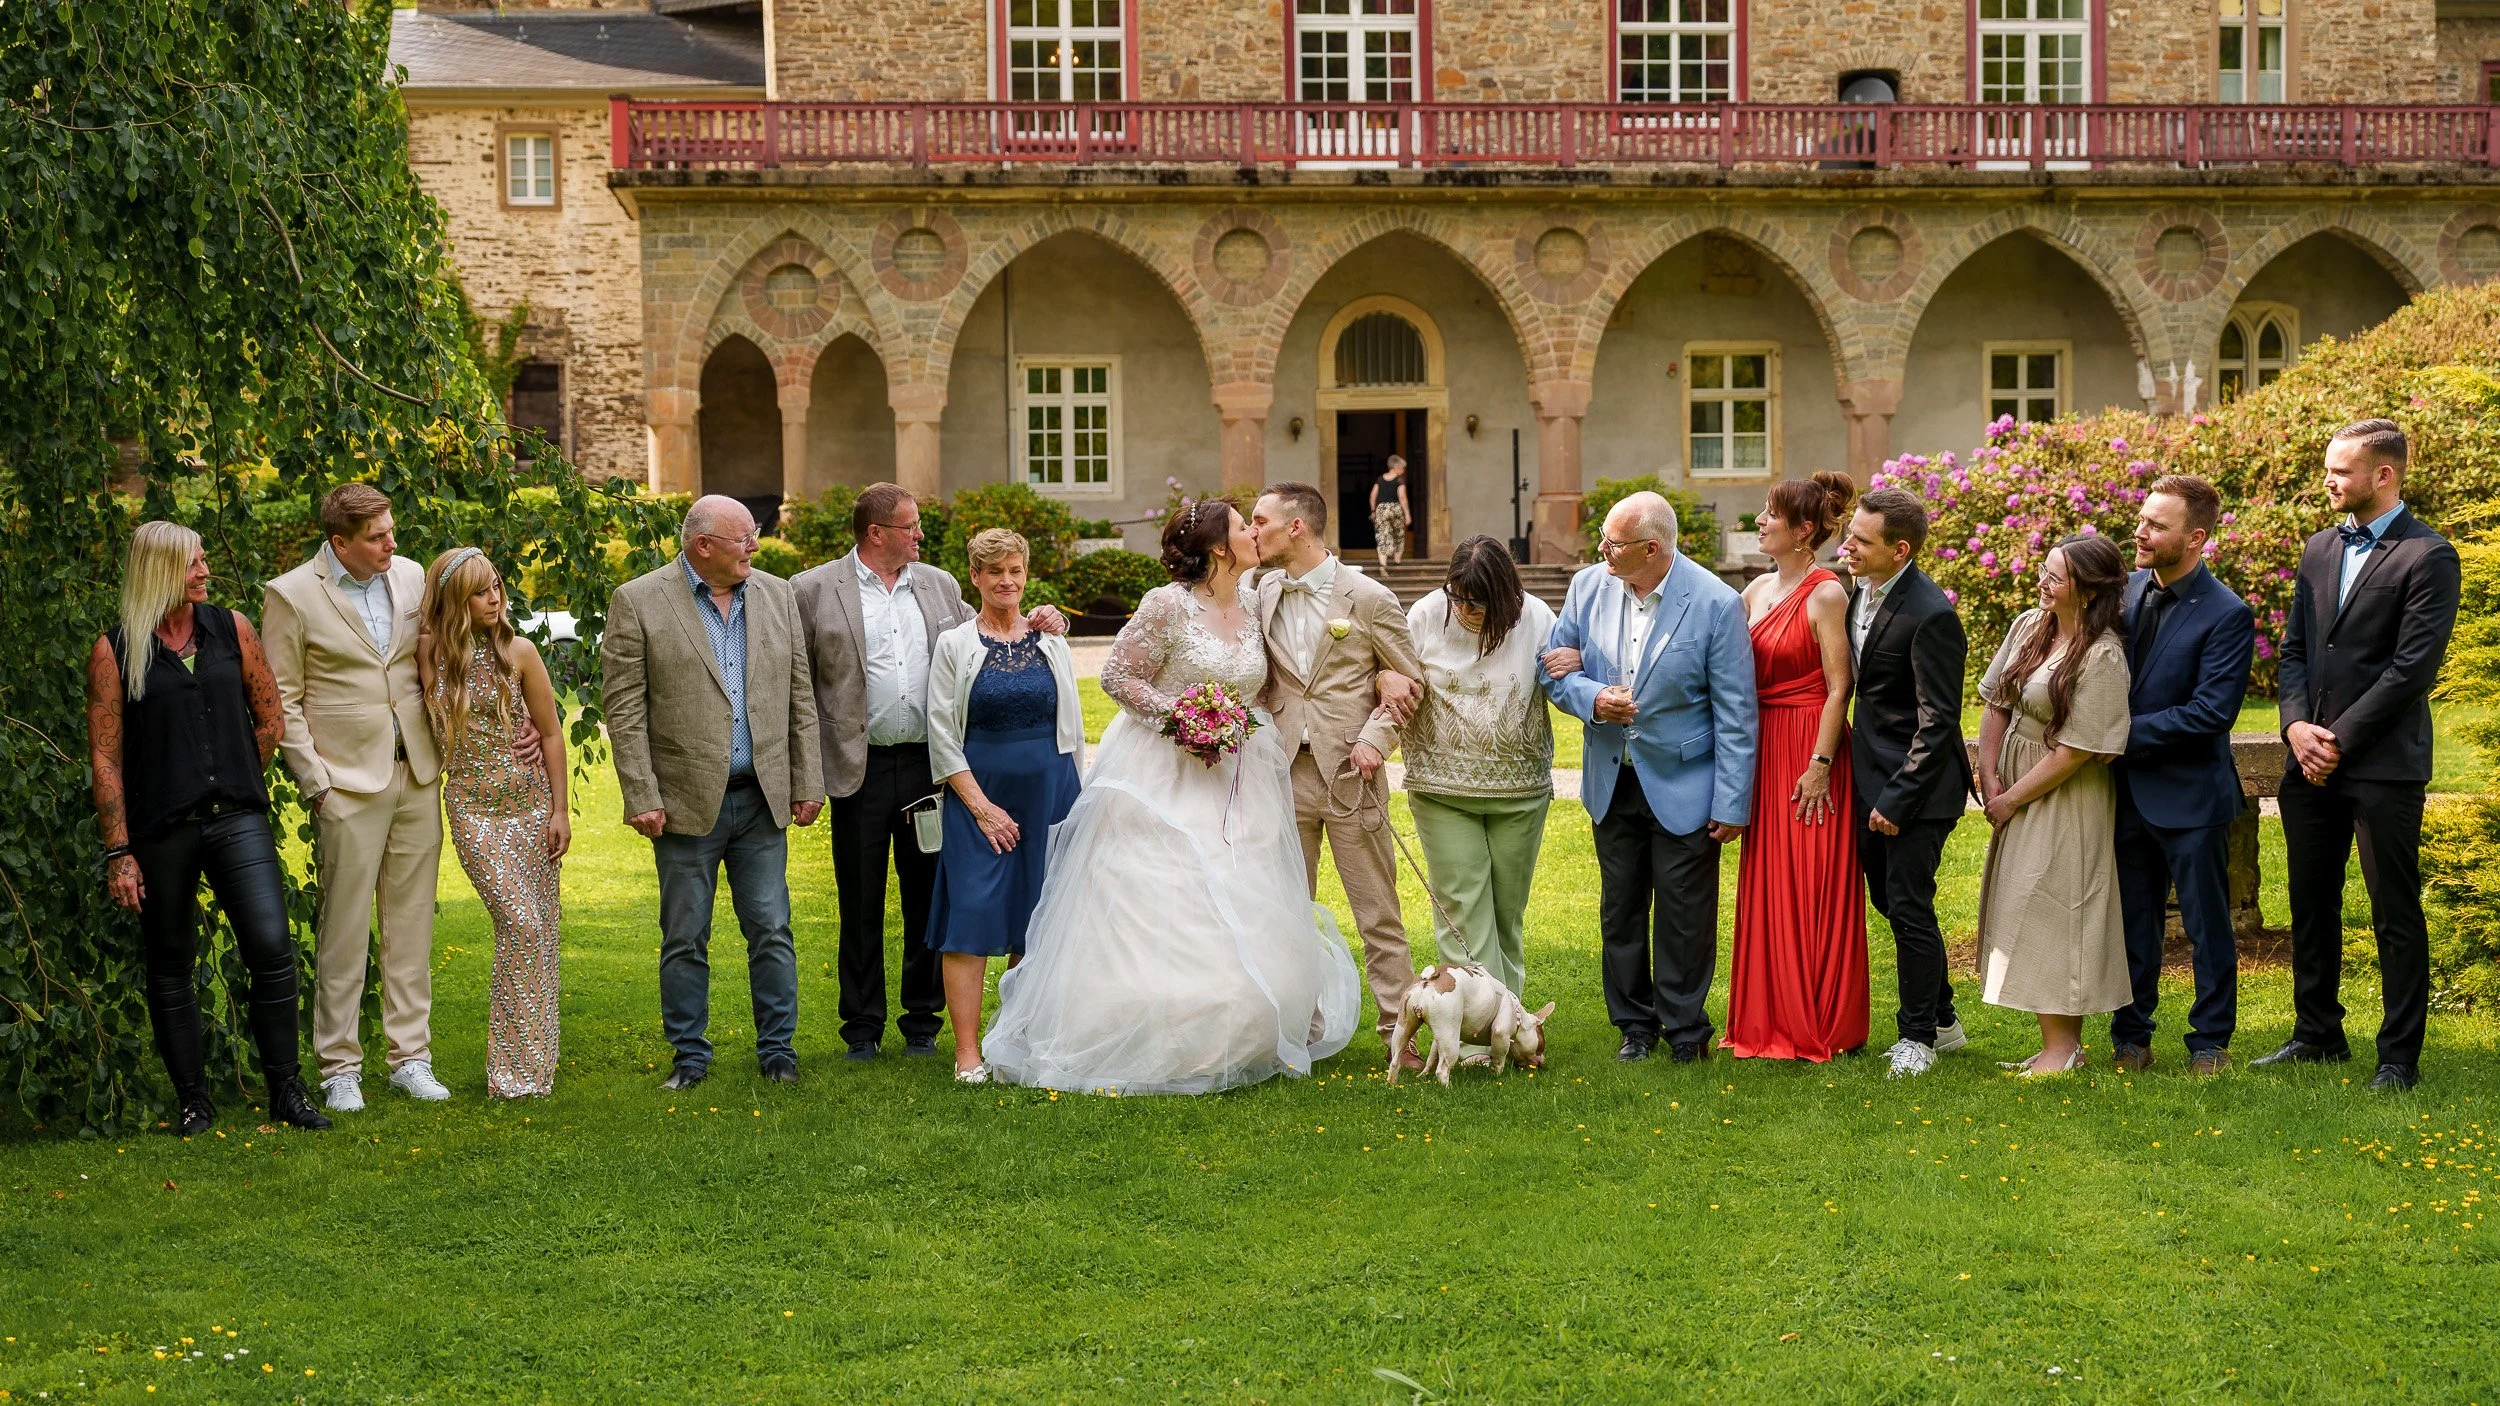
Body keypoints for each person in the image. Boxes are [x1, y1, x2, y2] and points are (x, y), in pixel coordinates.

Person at [983, 500, 1361, 1094]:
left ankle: (1247, 1024)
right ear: (1219, 547)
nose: (1253, 532)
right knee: (1162, 889)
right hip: (1161, 771)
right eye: (1242, 527)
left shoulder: (1257, 599)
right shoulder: (1166, 604)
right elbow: (1119, 676)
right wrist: (1182, 717)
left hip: (1241, 773)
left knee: (1245, 885)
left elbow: (1276, 678)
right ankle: (1146, 1026)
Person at [793, 484, 1064, 1061]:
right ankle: (862, 1028)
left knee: (928, 894)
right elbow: (797, 685)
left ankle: (922, 1021)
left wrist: (1047, 616)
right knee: (859, 899)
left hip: (930, 767)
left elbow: (992, 631)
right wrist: (804, 773)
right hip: (858, 767)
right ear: (877, 533)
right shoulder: (814, 589)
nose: (920, 534)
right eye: (911, 526)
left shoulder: (939, 584)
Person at [86, 522, 329, 1135]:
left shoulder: (233, 628)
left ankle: (286, 1090)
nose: (204, 571)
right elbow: (106, 758)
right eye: (193, 562)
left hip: (237, 821)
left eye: (203, 560)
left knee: (271, 947)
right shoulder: (115, 652)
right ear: (161, 570)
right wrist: (119, 851)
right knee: (170, 962)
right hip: (160, 831)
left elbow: (270, 719)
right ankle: (193, 1101)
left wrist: (229, 772)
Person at [2257, 418, 2461, 1092]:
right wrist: (2295, 728)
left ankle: (2398, 1057)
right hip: (2307, 761)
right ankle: (2317, 1034)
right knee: (2310, 903)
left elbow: (2410, 671)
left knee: (2392, 912)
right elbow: (2294, 649)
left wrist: (2336, 740)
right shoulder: (2319, 547)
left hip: (2382, 765)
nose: (2328, 481)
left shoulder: (2428, 556)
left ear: (2384, 475)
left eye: (2341, 471)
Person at [603, 495, 823, 1090]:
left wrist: (807, 780)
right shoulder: (639, 601)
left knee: (771, 929)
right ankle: (689, 1058)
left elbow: (799, 695)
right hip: (681, 802)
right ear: (703, 546)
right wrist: (641, 794)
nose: (755, 545)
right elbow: (624, 711)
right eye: (743, 537)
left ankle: (778, 1053)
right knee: (684, 937)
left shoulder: (776, 594)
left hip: (761, 799)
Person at [266, 485, 473, 1110]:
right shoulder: (291, 594)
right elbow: (282, 700)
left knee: (410, 926)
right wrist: (317, 783)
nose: (391, 544)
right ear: (340, 542)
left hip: (417, 772)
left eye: (391, 531)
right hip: (346, 783)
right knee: (345, 930)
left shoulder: (410, 576)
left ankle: (411, 1058)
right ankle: (339, 1067)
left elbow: (440, 656)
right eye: (377, 537)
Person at [1541, 491, 1757, 1064]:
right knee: (1621, 910)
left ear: (1652, 548)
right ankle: (1634, 1026)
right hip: (1611, 780)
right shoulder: (1587, 587)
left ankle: (1685, 1031)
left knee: (1685, 915)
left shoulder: (1715, 602)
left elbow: (1736, 712)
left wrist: (1732, 802)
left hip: (1687, 781)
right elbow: (1554, 669)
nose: (1602, 551)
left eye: (1613, 543)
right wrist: (1592, 697)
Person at [1249, 481, 1426, 1059]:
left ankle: (1398, 1033)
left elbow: (1410, 682)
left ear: (1296, 527)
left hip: (1353, 772)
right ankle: (1301, 1026)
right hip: (1283, 771)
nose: (1253, 531)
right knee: (1287, 910)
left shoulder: (1370, 597)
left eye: (1261, 521)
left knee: (1377, 913)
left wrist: (1376, 737)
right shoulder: (1262, 590)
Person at [924, 529, 1085, 1085]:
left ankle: (1018, 1039)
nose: (1007, 581)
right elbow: (942, 734)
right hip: (978, 794)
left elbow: (1072, 726)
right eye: (995, 572)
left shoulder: (1051, 640)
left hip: (1051, 792)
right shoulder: (954, 644)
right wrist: (980, 807)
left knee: (1037, 917)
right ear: (975, 577)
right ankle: (967, 1053)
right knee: (970, 915)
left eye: (1015, 570)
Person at [2108, 475, 2255, 1076]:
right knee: (2131, 922)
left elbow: (2210, 713)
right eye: (2142, 519)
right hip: (2121, 793)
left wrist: (2114, 736)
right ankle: (2129, 1037)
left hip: (2191, 795)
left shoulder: (2228, 613)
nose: (2140, 532)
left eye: (2156, 525)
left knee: (2206, 925)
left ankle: (2210, 1041)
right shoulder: (2122, 591)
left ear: (2195, 538)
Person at [1973, 535, 2134, 1075]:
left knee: (2058, 908)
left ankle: (2065, 1048)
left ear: (2086, 591)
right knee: (2022, 902)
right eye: (2043, 571)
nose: (2041, 583)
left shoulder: (2102, 654)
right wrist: (1989, 774)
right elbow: (1996, 701)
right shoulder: (2029, 626)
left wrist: (2011, 798)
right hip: (2015, 785)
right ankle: (2054, 1043)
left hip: (2064, 794)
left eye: (2055, 577)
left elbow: (2077, 750)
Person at [1725, 473, 1867, 1063]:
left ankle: (1823, 1019)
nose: (1759, 521)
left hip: (1811, 748)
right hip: (1764, 747)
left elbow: (1840, 687)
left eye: (1771, 514)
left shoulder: (1827, 593)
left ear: (1804, 530)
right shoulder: (1756, 589)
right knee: (1768, 881)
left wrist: (1821, 764)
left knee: (1811, 882)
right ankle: (1768, 1016)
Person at [419, 548, 570, 1099]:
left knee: (539, 930)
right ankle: (513, 1072)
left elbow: (550, 733)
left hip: (529, 807)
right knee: (521, 925)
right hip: (472, 810)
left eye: (497, 587)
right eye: (480, 592)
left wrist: (560, 811)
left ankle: (532, 1065)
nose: (495, 599)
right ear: (455, 600)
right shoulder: (428, 652)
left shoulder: (519, 652)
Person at [1834, 487, 1973, 1079]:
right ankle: (1944, 1020)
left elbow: (1938, 720)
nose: (1847, 547)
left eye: (1861, 541)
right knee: (1889, 901)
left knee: (1910, 906)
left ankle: (1917, 1038)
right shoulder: (1857, 592)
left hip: (1921, 788)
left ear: (1900, 550)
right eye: (1850, 535)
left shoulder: (1930, 613)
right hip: (1870, 776)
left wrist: (1897, 799)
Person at [1403, 535, 1556, 1002]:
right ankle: (1477, 1025)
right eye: (1458, 597)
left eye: (1479, 601)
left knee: (1507, 915)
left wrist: (1574, 663)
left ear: (1505, 594)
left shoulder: (1536, 617)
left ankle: (1507, 1017)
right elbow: (1396, 679)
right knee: (1464, 913)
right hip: (1442, 791)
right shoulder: (1426, 615)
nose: (1466, 609)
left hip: (1521, 792)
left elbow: (1565, 685)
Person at [1370, 456, 1412, 569]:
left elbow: (1373, 495)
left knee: (1382, 535)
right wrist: (1407, 514)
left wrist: (1373, 510)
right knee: (1398, 534)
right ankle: (1397, 561)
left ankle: (1383, 564)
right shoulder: (1399, 480)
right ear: (1396, 467)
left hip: (1381, 509)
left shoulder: (1380, 479)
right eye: (1402, 468)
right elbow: (1402, 497)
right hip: (1395, 508)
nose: (1403, 471)